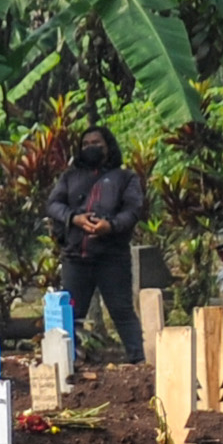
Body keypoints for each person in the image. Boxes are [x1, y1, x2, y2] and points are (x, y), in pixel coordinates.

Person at [43, 127, 148, 362]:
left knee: (122, 311)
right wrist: (74, 218)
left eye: (97, 142)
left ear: (108, 145)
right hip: (76, 256)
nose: (91, 147)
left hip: (112, 256)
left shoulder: (125, 178)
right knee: (71, 314)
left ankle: (139, 360)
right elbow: (53, 204)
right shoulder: (70, 177)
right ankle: (67, 362)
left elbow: (133, 211)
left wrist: (109, 226)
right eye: (86, 143)